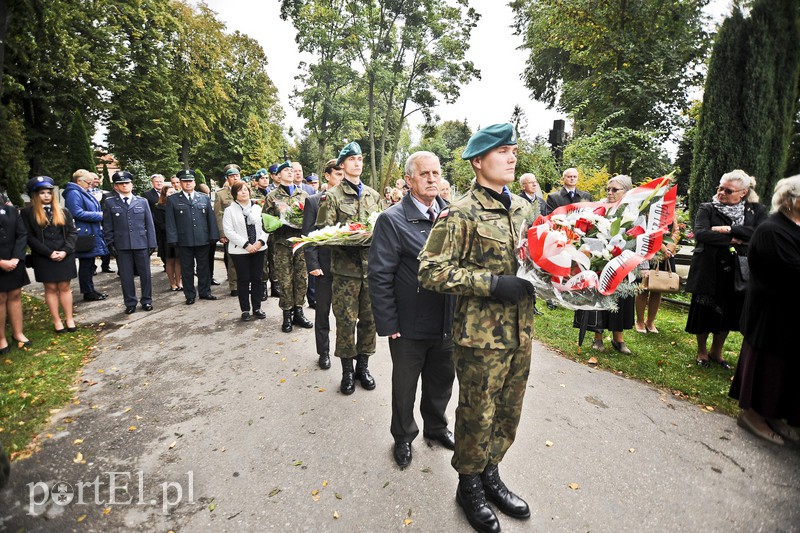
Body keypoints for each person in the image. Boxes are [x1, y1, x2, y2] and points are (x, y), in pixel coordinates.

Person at [418, 123, 536, 533]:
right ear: (478, 161)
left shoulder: (524, 208)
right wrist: (491, 284)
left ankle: (491, 473)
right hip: (480, 338)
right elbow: (430, 271)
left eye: (513, 150)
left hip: (522, 331)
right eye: (502, 151)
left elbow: (538, 260)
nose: (511, 156)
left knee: (509, 411)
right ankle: (468, 484)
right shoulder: (460, 212)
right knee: (477, 413)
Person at [368, 151, 456, 469]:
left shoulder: (452, 214)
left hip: (446, 319)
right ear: (409, 180)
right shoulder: (392, 220)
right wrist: (388, 321)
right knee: (405, 386)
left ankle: (436, 427)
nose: (432, 179)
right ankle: (403, 436)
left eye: (436, 173)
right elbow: (379, 275)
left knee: (442, 380)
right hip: (408, 325)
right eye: (425, 174)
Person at [729, 175, 800, 445]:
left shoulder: (793, 226)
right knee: (769, 367)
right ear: (792, 201)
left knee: (787, 369)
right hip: (771, 315)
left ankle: (775, 415)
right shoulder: (772, 229)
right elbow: (791, 272)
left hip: (791, 316)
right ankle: (753, 415)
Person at [316, 142, 382, 394]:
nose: (357, 162)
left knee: (369, 320)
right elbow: (322, 234)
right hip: (345, 272)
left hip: (371, 270)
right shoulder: (332, 197)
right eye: (352, 159)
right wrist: (350, 237)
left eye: (360, 158)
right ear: (342, 165)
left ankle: (362, 367)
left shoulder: (374, 196)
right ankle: (346, 371)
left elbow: (382, 229)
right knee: (345, 321)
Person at [685, 169, 766, 368]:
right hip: (709, 269)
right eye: (720, 188)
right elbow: (701, 234)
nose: (721, 192)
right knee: (704, 310)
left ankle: (717, 351)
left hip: (738, 270)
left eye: (728, 190)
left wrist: (728, 229)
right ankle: (702, 351)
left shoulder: (755, 211)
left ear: (743, 193)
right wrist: (733, 240)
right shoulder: (707, 208)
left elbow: (758, 232)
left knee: (728, 312)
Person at [579, 175, 637, 355]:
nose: (610, 193)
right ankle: (597, 337)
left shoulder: (635, 211)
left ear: (626, 192)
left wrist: (643, 267)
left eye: (615, 190)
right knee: (600, 299)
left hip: (624, 263)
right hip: (600, 260)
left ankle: (618, 339)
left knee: (621, 300)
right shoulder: (599, 208)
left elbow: (641, 238)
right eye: (608, 190)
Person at [21, 176, 77, 333]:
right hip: (44, 256)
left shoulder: (64, 211)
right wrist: (49, 253)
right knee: (51, 287)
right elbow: (29, 237)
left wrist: (65, 251)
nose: (46, 195)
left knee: (65, 287)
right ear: (35, 195)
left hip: (65, 254)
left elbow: (72, 233)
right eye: (42, 193)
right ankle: (57, 320)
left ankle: (69, 318)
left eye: (49, 192)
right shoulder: (27, 213)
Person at [303, 159, 343, 369]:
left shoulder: (350, 201)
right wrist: (313, 263)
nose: (341, 179)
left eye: (343, 175)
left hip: (346, 268)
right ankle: (324, 352)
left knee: (346, 314)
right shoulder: (314, 201)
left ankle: (348, 354)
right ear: (327, 176)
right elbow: (308, 237)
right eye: (338, 174)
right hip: (324, 267)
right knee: (323, 312)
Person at [265, 161, 313, 332]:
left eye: (292, 170)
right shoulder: (272, 196)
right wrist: (277, 222)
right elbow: (265, 222)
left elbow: (310, 218)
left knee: (301, 278)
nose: (290, 172)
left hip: (299, 243)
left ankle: (299, 312)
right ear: (278, 175)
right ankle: (287, 314)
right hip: (282, 244)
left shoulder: (304, 195)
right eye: (286, 170)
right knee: (285, 280)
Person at [103, 171, 157, 314]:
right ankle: (130, 303)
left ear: (132, 185)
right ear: (116, 187)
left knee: (145, 274)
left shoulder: (142, 201)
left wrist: (152, 243)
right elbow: (108, 225)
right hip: (122, 245)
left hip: (141, 244)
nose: (125, 185)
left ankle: (146, 300)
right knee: (126, 276)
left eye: (127, 183)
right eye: (121, 184)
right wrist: (110, 244)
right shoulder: (110, 203)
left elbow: (149, 224)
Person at [166, 169, 220, 305]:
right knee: (187, 268)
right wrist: (173, 239)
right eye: (185, 181)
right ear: (180, 184)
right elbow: (171, 222)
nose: (188, 184)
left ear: (194, 182)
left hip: (203, 239)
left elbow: (211, 219)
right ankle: (190, 294)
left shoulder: (203, 198)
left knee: (204, 267)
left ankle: (205, 291)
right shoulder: (173, 200)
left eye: (190, 181)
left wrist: (214, 235)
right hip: (184, 240)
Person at [222, 181, 268, 321]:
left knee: (257, 279)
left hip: (259, 248)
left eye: (246, 189)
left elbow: (266, 226)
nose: (244, 192)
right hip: (240, 251)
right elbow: (229, 231)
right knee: (243, 280)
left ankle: (257, 307)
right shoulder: (230, 210)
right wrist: (246, 245)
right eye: (240, 190)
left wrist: (260, 242)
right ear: (235, 194)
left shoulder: (258, 208)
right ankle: (245, 310)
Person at [62, 169, 109, 301]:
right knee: (86, 263)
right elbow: (75, 212)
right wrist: (100, 216)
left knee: (89, 262)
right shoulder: (74, 193)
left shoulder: (81, 192)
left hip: (90, 231)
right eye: (88, 182)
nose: (90, 185)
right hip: (84, 233)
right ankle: (88, 291)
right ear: (79, 181)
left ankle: (90, 289)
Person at [0, 185, 31, 351]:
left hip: (14, 261)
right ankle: (1, 339)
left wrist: (16, 257)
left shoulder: (12, 211)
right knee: (0, 299)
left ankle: (18, 333)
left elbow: (22, 234)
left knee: (15, 295)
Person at [635, 222, 680, 334]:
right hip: (648, 250)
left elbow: (676, 231)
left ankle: (650, 321)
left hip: (667, 254)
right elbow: (646, 231)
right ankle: (639, 321)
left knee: (658, 287)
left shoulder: (671, 210)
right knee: (643, 287)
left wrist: (668, 249)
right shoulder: (650, 207)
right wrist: (662, 247)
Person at [215, 166, 241, 296]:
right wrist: (222, 234)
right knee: (232, 260)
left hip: (244, 232)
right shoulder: (221, 194)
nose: (235, 178)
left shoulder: (245, 191)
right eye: (232, 176)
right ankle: (234, 285)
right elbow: (218, 215)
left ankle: (245, 283)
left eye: (237, 175)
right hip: (230, 232)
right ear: (227, 178)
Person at [153, 185, 182, 291]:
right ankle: (172, 283)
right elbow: (160, 224)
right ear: (164, 195)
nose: (172, 195)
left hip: (179, 237)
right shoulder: (159, 207)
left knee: (179, 260)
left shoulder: (179, 204)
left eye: (174, 192)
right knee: (170, 261)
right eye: (170, 193)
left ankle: (179, 282)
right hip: (166, 238)